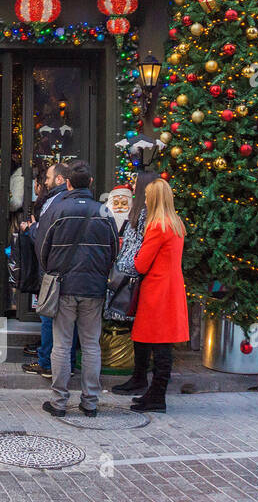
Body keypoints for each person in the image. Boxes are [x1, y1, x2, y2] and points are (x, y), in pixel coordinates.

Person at [38, 159, 119, 417]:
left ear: (68, 183)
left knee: (61, 344)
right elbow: (114, 251)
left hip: (63, 285)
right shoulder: (104, 212)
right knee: (91, 344)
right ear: (91, 183)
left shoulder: (57, 210)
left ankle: (60, 401)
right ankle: (90, 402)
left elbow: (42, 247)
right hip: (94, 288)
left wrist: (51, 270)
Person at [124, 179, 189, 412]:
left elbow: (141, 264)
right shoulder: (176, 224)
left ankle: (157, 397)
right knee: (157, 342)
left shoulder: (157, 226)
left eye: (148, 197)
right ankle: (153, 392)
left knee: (159, 345)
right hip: (170, 288)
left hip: (157, 291)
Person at [109, 170, 162, 395]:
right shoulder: (140, 211)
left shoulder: (145, 213)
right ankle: (138, 376)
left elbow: (137, 247)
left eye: (135, 183)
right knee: (137, 330)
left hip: (135, 278)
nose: (132, 185)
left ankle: (139, 377)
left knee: (140, 330)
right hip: (133, 275)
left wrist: (122, 268)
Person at [20, 161, 71, 377]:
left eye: (48, 178)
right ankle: (58, 362)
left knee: (48, 316)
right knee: (64, 320)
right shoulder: (64, 199)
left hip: (52, 270)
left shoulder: (56, 201)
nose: (46, 181)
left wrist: (31, 229)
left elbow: (44, 236)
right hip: (62, 269)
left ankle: (47, 363)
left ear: (59, 179)